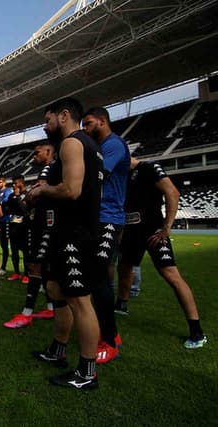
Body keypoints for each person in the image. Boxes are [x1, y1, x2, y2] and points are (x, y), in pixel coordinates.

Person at [27, 98, 103, 389]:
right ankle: (57, 350)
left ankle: (87, 373)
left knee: (80, 301)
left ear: (64, 115)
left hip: (76, 233)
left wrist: (43, 190)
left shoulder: (72, 143)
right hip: (70, 231)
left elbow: (72, 190)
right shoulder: (86, 146)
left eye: (48, 121)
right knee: (55, 288)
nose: (46, 127)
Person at [116, 157, 207, 349]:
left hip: (153, 232)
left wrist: (166, 226)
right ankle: (121, 304)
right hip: (131, 232)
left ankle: (196, 331)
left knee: (171, 274)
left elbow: (172, 192)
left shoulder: (148, 168)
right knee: (124, 268)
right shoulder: (123, 175)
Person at [82, 106, 130, 364]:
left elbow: (97, 177)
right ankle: (111, 333)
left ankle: (110, 341)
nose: (85, 129)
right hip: (97, 219)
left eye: (88, 124)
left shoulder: (113, 145)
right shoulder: (102, 147)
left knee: (99, 278)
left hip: (109, 219)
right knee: (96, 278)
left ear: (102, 121)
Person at [3, 142, 55, 328]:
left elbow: (33, 196)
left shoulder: (49, 170)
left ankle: (27, 313)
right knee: (45, 269)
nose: (34, 156)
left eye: (37, 153)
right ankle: (50, 307)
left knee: (36, 267)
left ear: (48, 152)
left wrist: (33, 194)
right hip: (41, 226)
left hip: (43, 227)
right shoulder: (53, 170)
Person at [6, 175, 29, 283]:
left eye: (15, 183)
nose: (14, 185)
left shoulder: (27, 195)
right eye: (13, 183)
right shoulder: (11, 196)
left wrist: (18, 198)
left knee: (25, 253)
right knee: (14, 252)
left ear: (21, 183)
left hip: (24, 228)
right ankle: (16, 272)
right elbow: (8, 209)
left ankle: (27, 274)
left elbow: (25, 211)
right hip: (13, 227)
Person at [0, 175, 13, 276]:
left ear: (4, 183)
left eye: (0, 182)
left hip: (5, 221)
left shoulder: (8, 192)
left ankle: (3, 267)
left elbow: (4, 205)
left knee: (4, 245)